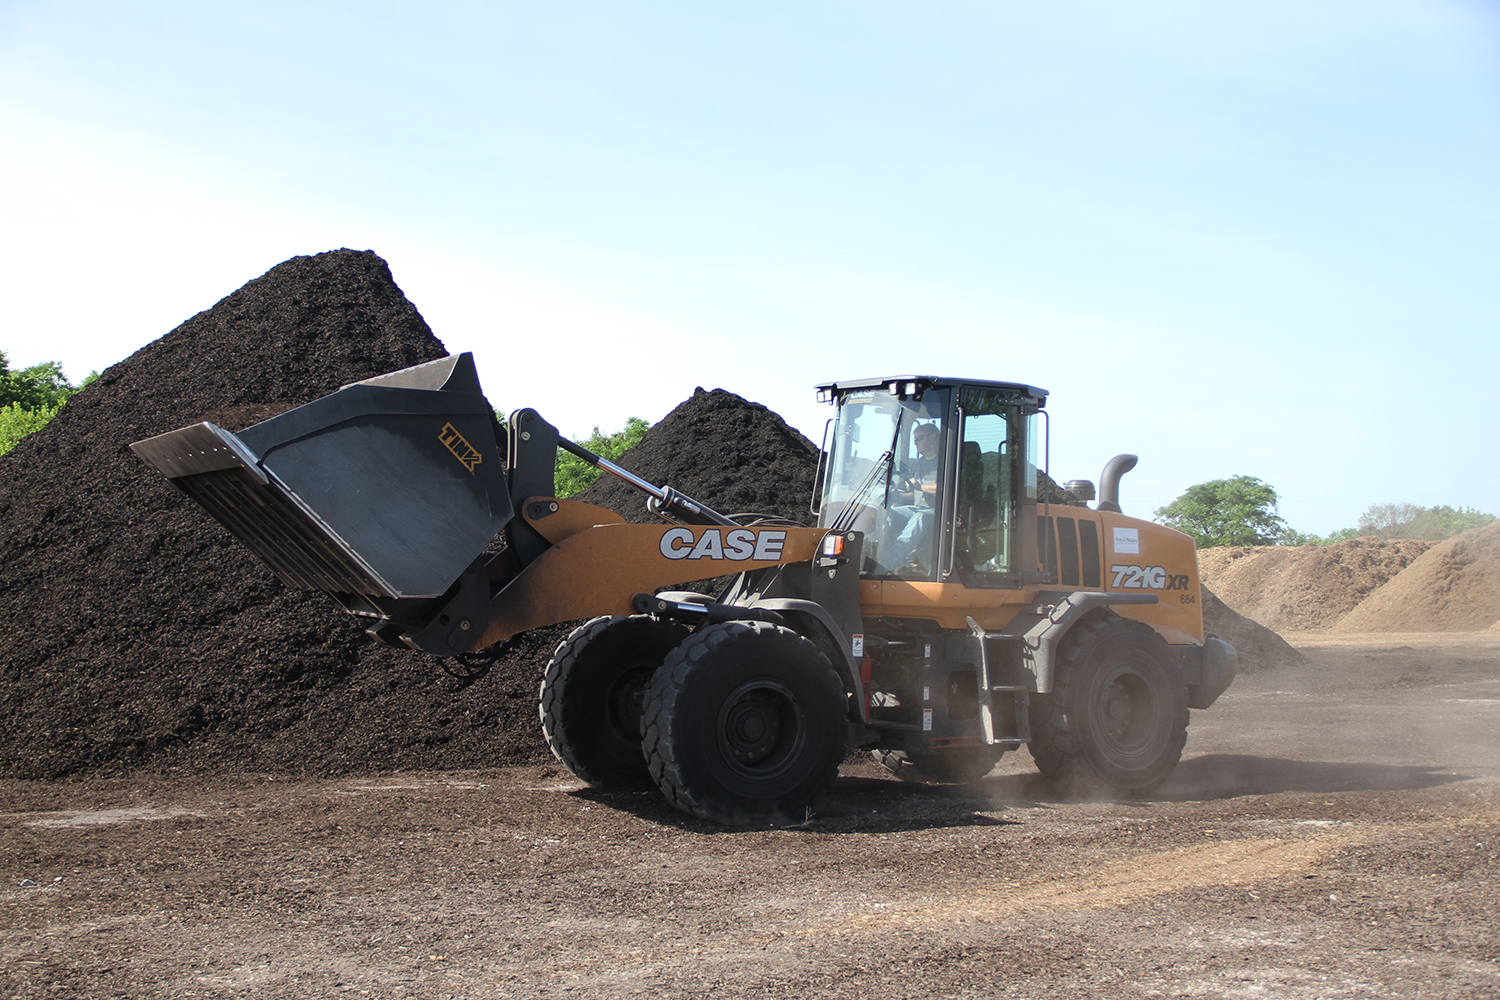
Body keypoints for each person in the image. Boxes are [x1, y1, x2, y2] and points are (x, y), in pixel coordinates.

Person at [884, 421, 943, 575]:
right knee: (891, 512)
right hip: (919, 507)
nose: (915, 443)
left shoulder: (945, 461)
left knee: (919, 517)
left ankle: (887, 563)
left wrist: (919, 487)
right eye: (914, 439)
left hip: (939, 511)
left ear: (932, 438)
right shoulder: (920, 463)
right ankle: (879, 553)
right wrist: (898, 496)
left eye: (919, 439)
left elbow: (943, 488)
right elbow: (916, 493)